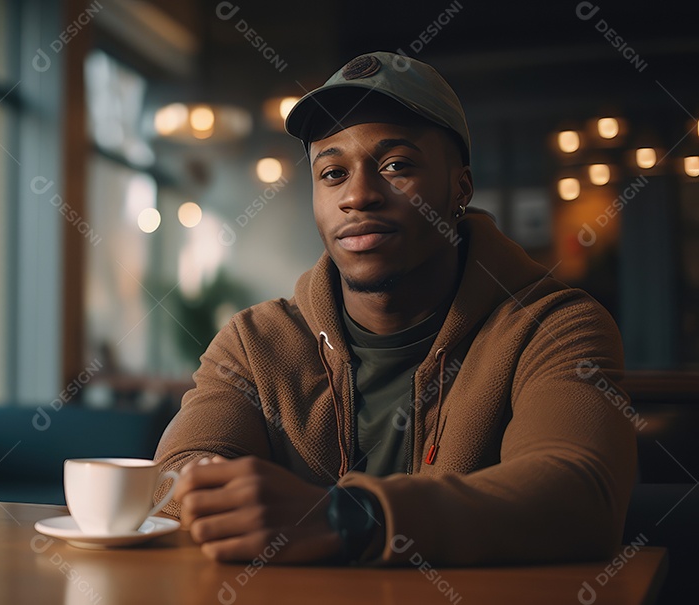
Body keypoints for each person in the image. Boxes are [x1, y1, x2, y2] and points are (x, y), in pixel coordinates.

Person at [153, 51, 636, 566]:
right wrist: (206, 489)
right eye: (333, 173)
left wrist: (345, 517)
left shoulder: (554, 327)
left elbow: (581, 497)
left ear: (460, 188)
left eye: (396, 165)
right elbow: (171, 478)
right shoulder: (255, 341)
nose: (358, 196)